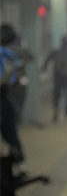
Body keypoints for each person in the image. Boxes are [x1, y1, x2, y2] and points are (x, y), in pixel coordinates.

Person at [0, 24, 29, 170]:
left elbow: (5, 78)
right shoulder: (16, 49)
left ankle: (18, 161)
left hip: (7, 95)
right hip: (10, 95)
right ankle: (18, 161)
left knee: (9, 130)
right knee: (9, 130)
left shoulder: (9, 52)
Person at [43, 36, 67, 122]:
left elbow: (47, 60)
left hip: (58, 76)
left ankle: (56, 111)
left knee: (57, 95)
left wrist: (44, 67)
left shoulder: (56, 52)